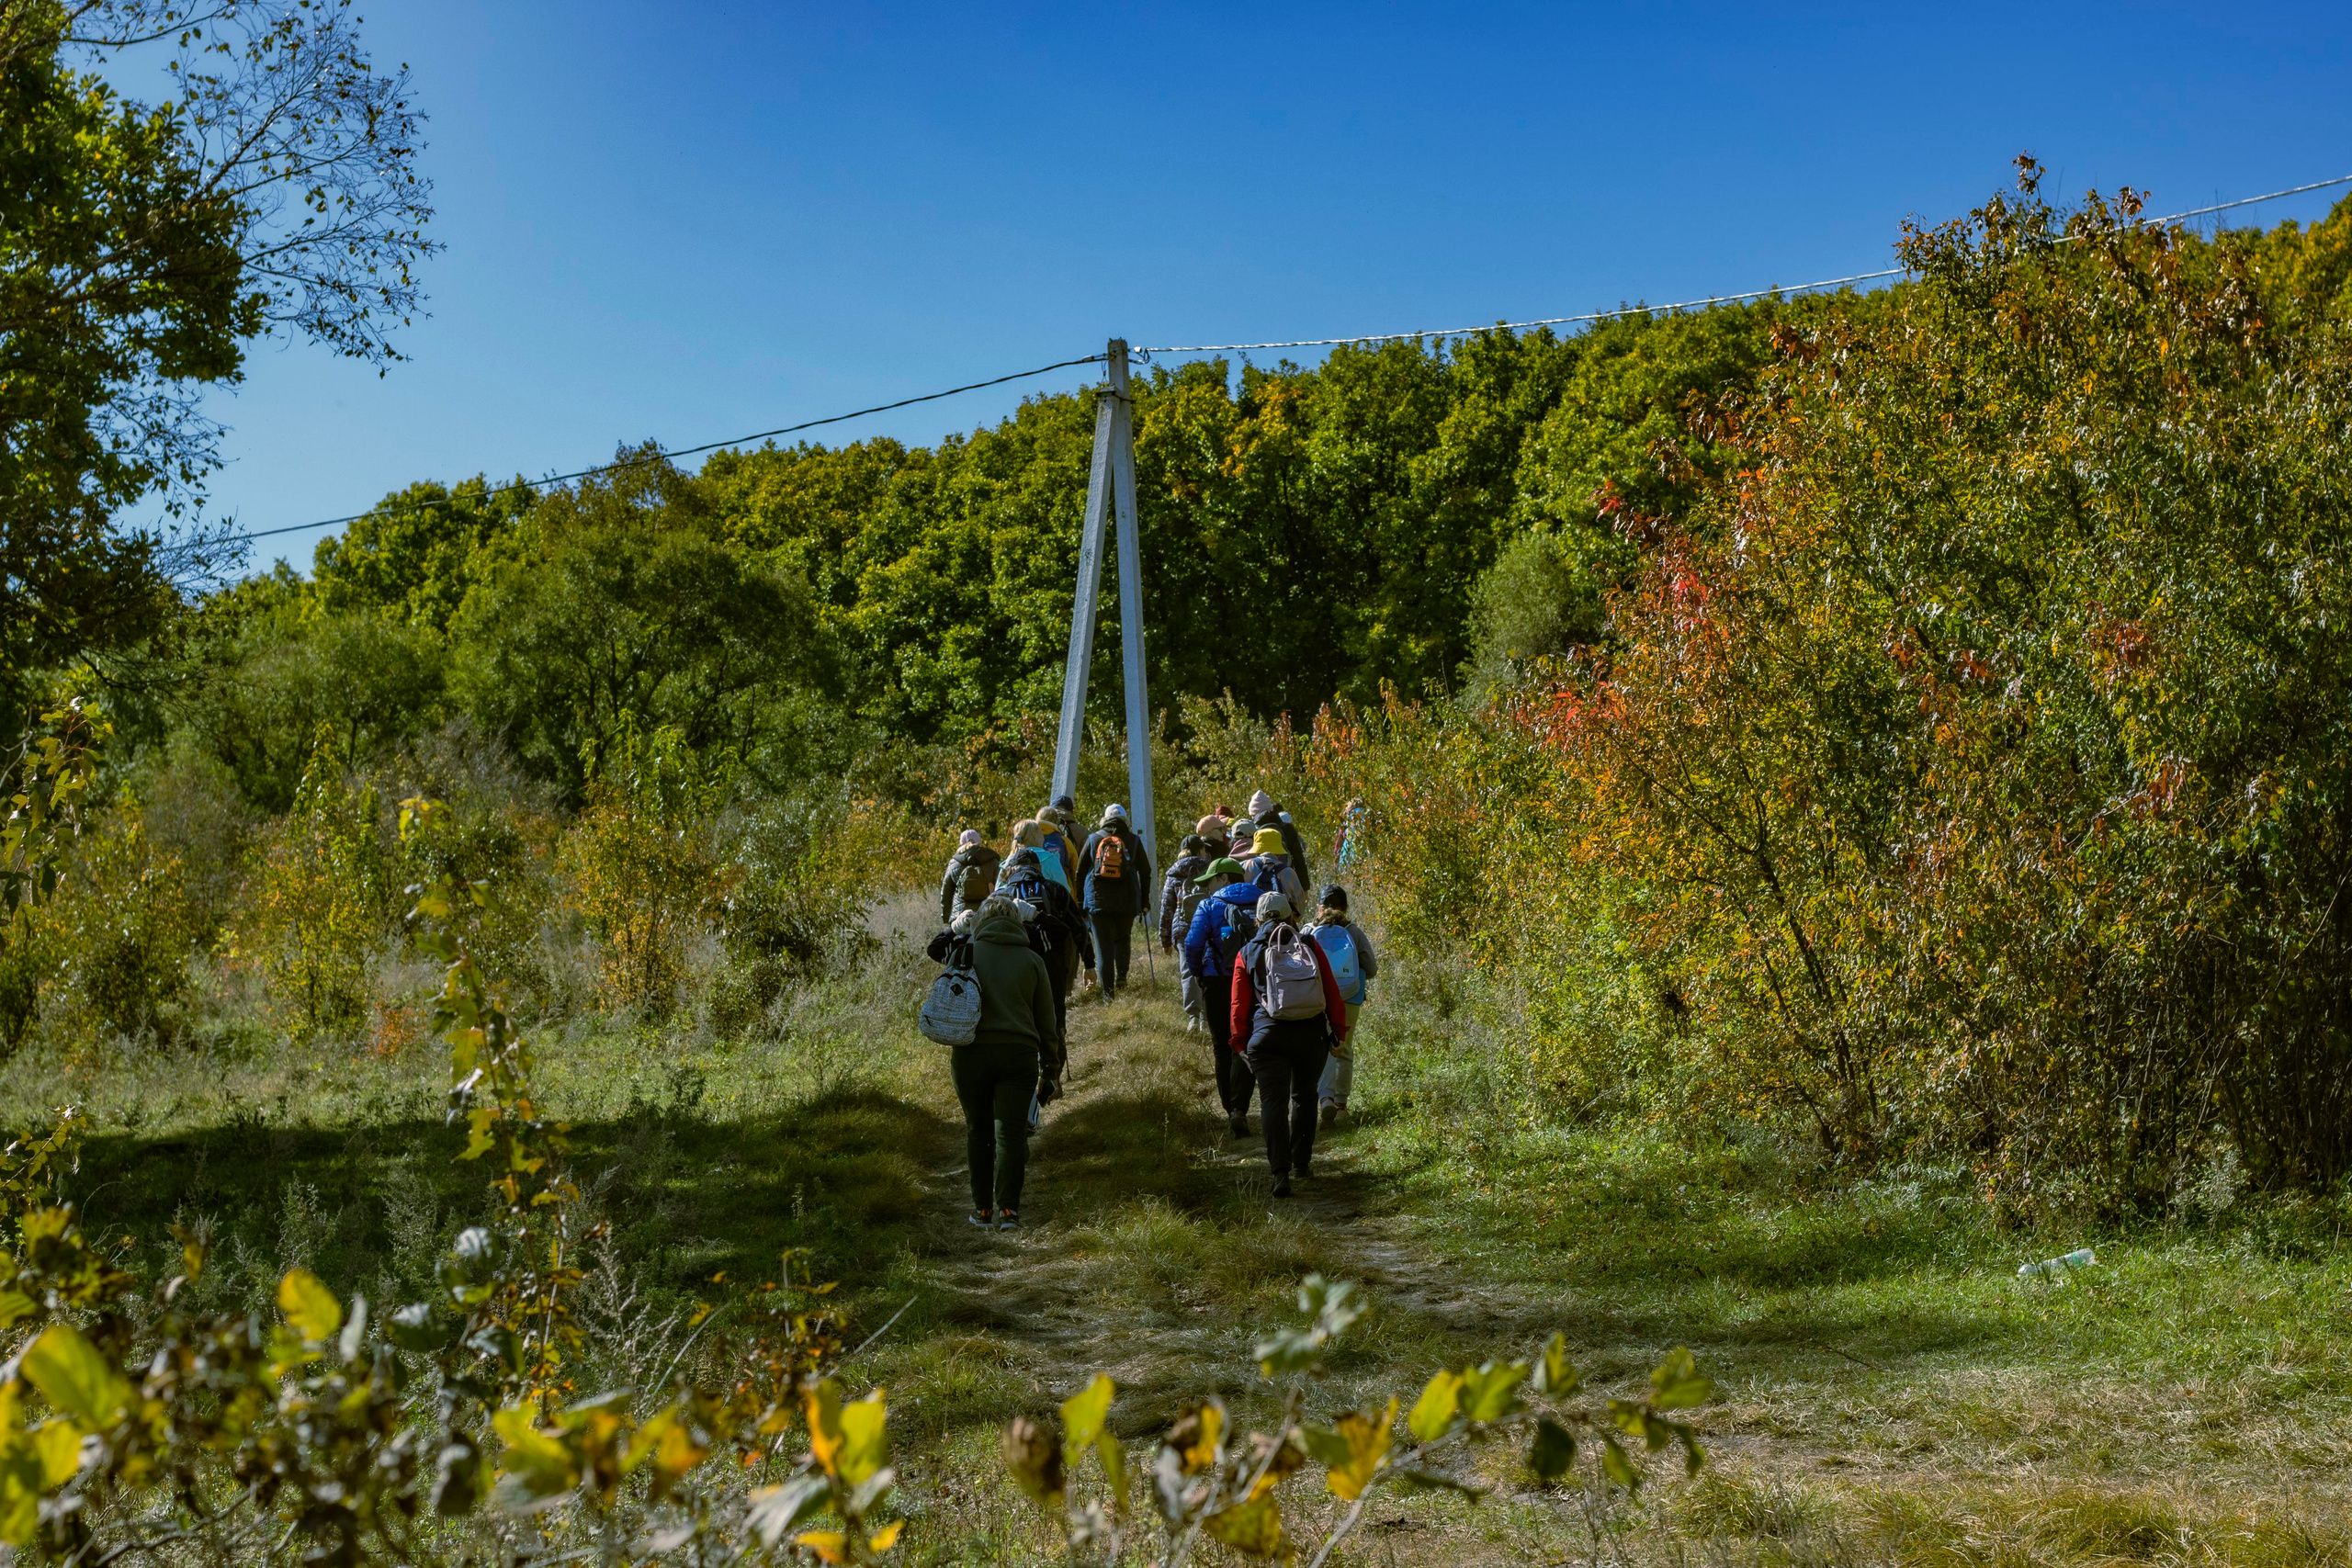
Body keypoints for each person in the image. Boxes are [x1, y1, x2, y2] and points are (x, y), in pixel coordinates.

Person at [1229, 892, 1349, 1197]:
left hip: (1268, 1037)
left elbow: (1239, 1004)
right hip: (1311, 1035)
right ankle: (1302, 1164)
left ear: (1257, 919)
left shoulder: (1248, 951)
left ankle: (1279, 1174)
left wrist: (1240, 1042)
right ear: (1290, 917)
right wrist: (1338, 1031)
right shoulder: (1308, 944)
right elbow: (1330, 990)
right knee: (1305, 1096)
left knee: (1273, 1102)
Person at [948, 896, 1057, 1231]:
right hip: (1019, 1055)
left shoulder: (964, 954)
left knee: (977, 1131)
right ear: (1017, 922)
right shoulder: (1033, 960)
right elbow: (1046, 1021)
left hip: (970, 1054)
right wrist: (1051, 1066)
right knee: (1009, 1134)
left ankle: (982, 1211)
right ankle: (1008, 1212)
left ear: (980, 921)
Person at [999, 845, 1093, 1085]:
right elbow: (1078, 929)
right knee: (1054, 1019)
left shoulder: (1002, 894)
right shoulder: (1056, 890)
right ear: (1039, 868)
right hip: (1052, 965)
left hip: (1014, 967)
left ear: (1014, 869)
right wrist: (1089, 964)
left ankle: (1026, 1074)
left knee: (1023, 1017)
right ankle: (1052, 1077)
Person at [1183, 857, 1259, 1134]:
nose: (1208, 887)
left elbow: (1193, 943)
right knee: (1246, 1042)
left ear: (1224, 879)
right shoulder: (1263, 900)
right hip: (1253, 982)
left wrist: (1199, 973)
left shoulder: (1210, 905)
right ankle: (1240, 1108)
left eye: (1211, 881)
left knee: (1221, 1046)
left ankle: (1230, 1111)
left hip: (1217, 982)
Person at [1303, 886, 1378, 1125]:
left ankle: (1322, 1100)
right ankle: (1341, 1106)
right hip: (1349, 997)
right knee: (1343, 1048)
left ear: (1319, 906)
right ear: (1345, 907)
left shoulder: (1308, 930)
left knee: (1317, 1048)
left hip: (1317, 996)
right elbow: (1372, 968)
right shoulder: (1353, 931)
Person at [1078, 804, 1151, 998]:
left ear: (1105, 819)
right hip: (1127, 900)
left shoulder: (1094, 839)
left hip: (1098, 900)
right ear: (1126, 820)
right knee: (1122, 938)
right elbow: (1146, 871)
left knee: (1103, 947)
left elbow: (1080, 871)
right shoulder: (1134, 841)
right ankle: (1121, 979)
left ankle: (1107, 995)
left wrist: (1080, 902)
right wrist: (1144, 901)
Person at [1160, 835, 1215, 1029]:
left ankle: (1193, 1016)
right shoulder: (1209, 869)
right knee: (1209, 968)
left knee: (1188, 971)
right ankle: (1207, 1019)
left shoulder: (1174, 874)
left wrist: (1165, 939)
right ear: (1200, 850)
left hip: (1183, 927)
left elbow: (1167, 909)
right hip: (1207, 924)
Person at [1244, 790, 1314, 886]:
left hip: (1261, 883)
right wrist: (1305, 887)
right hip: (1286, 878)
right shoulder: (1287, 828)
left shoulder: (1252, 831)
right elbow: (1299, 860)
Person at [940, 829, 1001, 925]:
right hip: (986, 913)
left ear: (961, 843)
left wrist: (946, 917)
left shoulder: (954, 862)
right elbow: (1000, 886)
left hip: (960, 915)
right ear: (979, 842)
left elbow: (946, 892)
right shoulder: (991, 860)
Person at [1242, 827, 1306, 912]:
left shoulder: (1245, 866)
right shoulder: (1289, 872)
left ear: (1257, 849)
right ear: (1279, 851)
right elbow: (1300, 908)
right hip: (1280, 922)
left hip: (1249, 921)